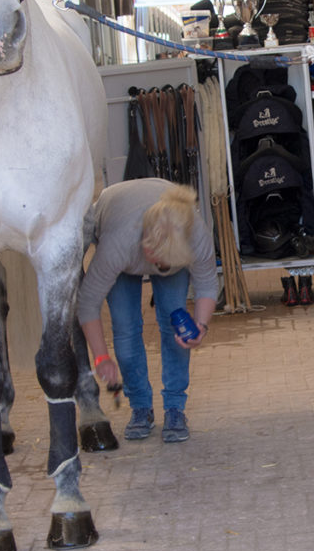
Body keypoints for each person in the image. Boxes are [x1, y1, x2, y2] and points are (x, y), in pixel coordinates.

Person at [78, 178, 218, 443]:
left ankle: (175, 408)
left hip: (159, 245)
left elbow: (208, 284)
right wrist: (100, 357)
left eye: (164, 264)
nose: (156, 268)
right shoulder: (119, 244)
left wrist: (201, 326)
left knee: (176, 328)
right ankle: (140, 407)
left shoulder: (195, 233)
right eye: (155, 260)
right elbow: (88, 303)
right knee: (125, 327)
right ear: (146, 244)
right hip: (119, 223)